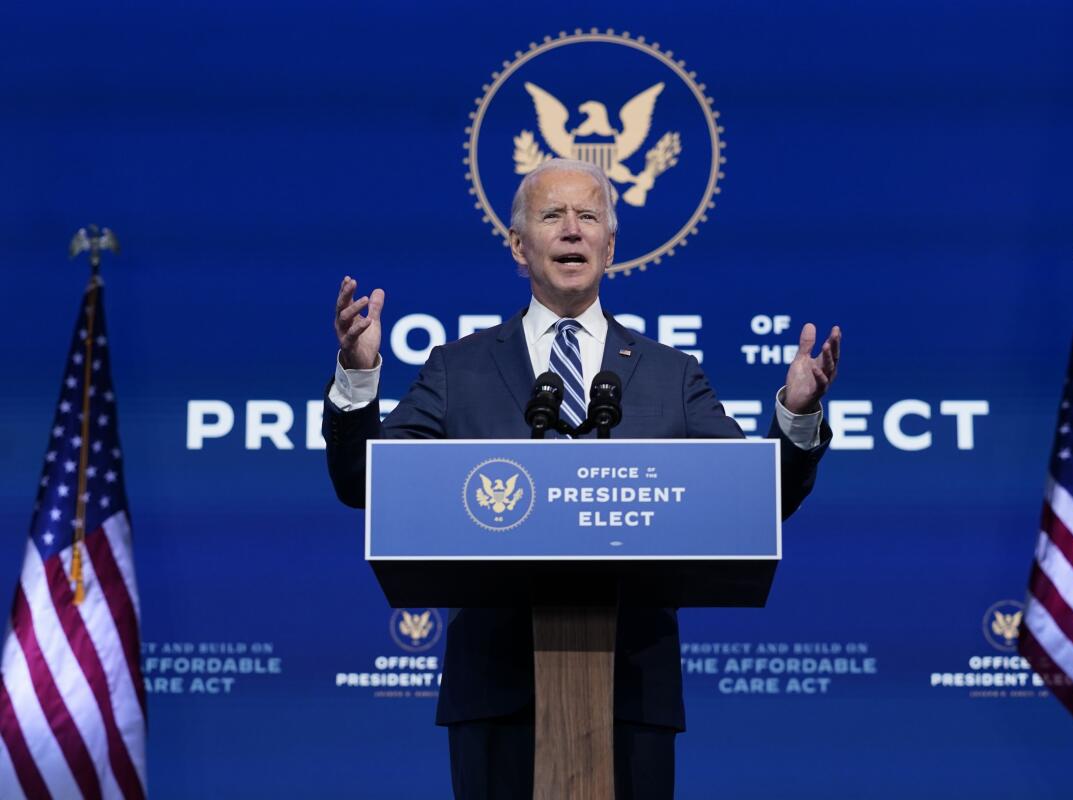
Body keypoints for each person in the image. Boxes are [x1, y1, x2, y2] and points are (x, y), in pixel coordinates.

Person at [323, 158, 840, 799]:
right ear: (518, 246)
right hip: (495, 687)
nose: (572, 231)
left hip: (631, 689)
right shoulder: (458, 368)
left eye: (588, 217)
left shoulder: (670, 374)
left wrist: (795, 414)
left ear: (610, 245)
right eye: (552, 216)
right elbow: (362, 483)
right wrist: (358, 376)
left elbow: (757, 500)